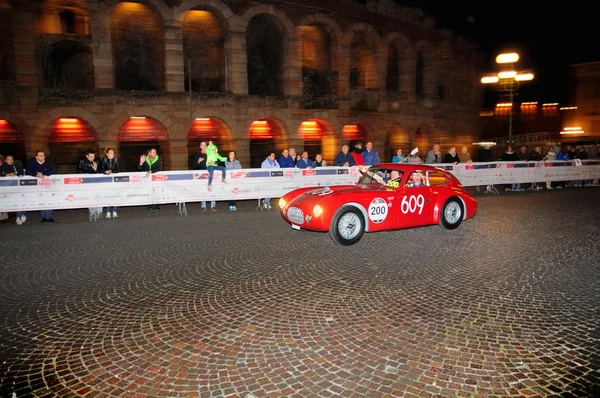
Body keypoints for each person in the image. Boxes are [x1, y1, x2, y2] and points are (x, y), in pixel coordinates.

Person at [100, 148, 121, 218]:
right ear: (107, 154)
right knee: (107, 195)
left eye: (113, 153)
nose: (112, 154)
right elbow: (101, 169)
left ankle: (115, 211)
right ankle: (108, 212)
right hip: (107, 180)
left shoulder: (116, 159)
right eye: (111, 153)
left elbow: (119, 169)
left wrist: (112, 171)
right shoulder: (104, 159)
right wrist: (105, 172)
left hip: (115, 180)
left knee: (115, 195)